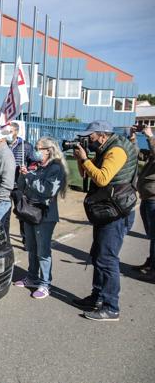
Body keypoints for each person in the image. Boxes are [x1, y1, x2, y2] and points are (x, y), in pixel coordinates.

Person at [72, 120, 138, 321]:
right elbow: (85, 173)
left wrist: (86, 159)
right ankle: (97, 297)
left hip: (116, 213)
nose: (88, 139)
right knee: (98, 255)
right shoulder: (104, 147)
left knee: (107, 258)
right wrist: (81, 159)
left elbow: (102, 178)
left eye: (90, 136)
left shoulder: (116, 151)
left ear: (102, 135)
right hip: (106, 209)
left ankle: (111, 307)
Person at [13, 137, 68, 299]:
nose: (35, 151)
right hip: (30, 212)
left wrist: (30, 177)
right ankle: (32, 277)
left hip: (45, 214)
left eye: (38, 148)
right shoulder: (36, 166)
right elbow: (22, 187)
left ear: (48, 150)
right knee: (31, 247)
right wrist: (24, 175)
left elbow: (47, 190)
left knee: (43, 251)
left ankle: (45, 284)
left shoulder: (56, 168)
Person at [135, 124, 155, 281]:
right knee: (151, 235)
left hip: (154, 199)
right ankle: (151, 263)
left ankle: (153, 269)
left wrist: (149, 136)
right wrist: (132, 138)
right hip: (147, 198)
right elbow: (138, 155)